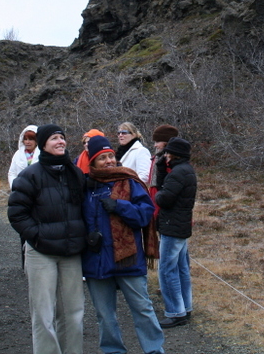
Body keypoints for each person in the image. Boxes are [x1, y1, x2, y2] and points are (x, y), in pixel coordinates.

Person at [8, 124, 86, 354]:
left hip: (71, 252)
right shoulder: (29, 176)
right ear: (43, 144)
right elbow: (16, 213)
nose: (61, 141)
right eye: (54, 138)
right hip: (41, 253)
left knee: (74, 312)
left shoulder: (75, 174)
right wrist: (38, 236)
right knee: (43, 315)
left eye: (62, 137)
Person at [82, 136, 164, 354]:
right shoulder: (85, 186)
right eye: (102, 158)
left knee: (142, 308)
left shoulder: (129, 181)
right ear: (92, 162)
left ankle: (154, 350)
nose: (109, 161)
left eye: (111, 156)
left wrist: (119, 206)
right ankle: (113, 351)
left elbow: (145, 214)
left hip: (128, 258)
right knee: (104, 315)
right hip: (96, 259)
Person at [155, 137, 197, 328]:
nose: (166, 155)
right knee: (181, 268)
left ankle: (175, 312)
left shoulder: (178, 174)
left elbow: (164, 198)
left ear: (174, 154)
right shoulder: (186, 171)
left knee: (166, 269)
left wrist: (158, 193)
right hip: (180, 226)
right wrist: (163, 170)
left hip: (172, 226)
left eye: (168, 152)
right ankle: (185, 308)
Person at [8, 125, 39, 190]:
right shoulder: (18, 154)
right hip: (21, 190)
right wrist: (14, 186)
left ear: (36, 141)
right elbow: (12, 173)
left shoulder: (43, 154)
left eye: (31, 139)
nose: (27, 142)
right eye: (25, 139)